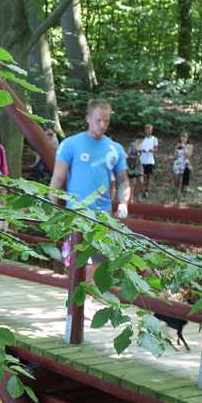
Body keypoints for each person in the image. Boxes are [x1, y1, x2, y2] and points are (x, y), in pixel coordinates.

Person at [50, 99, 129, 277]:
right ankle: (77, 300)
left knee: (99, 263)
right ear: (88, 118)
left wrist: (124, 203)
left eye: (106, 121)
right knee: (75, 262)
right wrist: (53, 209)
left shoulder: (115, 148)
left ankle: (91, 300)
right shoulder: (70, 145)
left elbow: (123, 180)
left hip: (103, 216)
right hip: (76, 214)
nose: (102, 125)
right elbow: (57, 179)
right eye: (98, 120)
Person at [139, 124, 158, 196]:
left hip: (150, 160)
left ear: (152, 130)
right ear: (145, 130)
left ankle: (147, 191)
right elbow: (138, 148)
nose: (148, 130)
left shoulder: (154, 139)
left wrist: (152, 150)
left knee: (148, 176)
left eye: (150, 129)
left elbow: (156, 149)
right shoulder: (142, 139)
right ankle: (141, 190)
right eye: (147, 129)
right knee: (141, 176)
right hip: (142, 160)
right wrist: (141, 150)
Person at [173, 132, 193, 197]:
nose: (183, 138)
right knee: (176, 179)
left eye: (185, 137)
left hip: (185, 164)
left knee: (184, 179)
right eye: (182, 137)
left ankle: (183, 193)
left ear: (187, 138)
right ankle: (176, 193)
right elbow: (175, 156)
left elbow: (188, 156)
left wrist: (184, 147)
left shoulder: (190, 146)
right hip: (177, 163)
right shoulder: (177, 145)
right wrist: (176, 149)